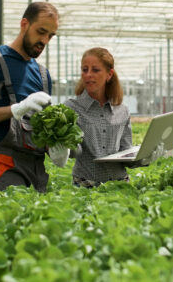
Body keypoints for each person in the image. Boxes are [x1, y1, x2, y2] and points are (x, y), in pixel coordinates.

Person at [0, 1, 68, 193]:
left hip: (37, 168)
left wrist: (55, 147)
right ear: (24, 24)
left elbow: (39, 128)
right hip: (5, 164)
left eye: (50, 36)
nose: (44, 40)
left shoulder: (43, 75)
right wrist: (16, 109)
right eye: (41, 31)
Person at [65, 47, 162, 188]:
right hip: (85, 184)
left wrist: (145, 158)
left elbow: (125, 153)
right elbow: (71, 152)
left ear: (109, 74)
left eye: (95, 70)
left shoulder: (122, 110)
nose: (88, 75)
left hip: (120, 185)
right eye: (85, 70)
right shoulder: (71, 108)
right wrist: (61, 147)